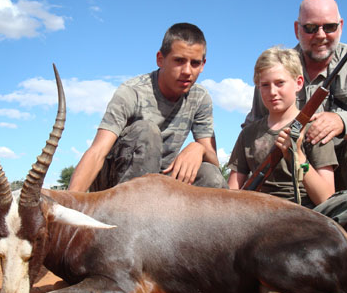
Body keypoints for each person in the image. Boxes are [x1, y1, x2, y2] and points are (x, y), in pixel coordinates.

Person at [243, 0, 347, 283]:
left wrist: (343, 121)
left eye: (329, 27)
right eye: (310, 28)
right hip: (296, 181)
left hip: (339, 173)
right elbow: (254, 126)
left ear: (340, 26)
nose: (320, 35)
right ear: (297, 29)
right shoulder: (280, 68)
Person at [229, 46, 347, 245]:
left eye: (280, 83)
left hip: (307, 218)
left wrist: (299, 158)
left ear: (298, 83)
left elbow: (325, 197)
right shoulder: (248, 134)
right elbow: (232, 193)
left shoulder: (314, 130)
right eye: (265, 85)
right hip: (261, 219)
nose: (272, 92)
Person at [68, 22, 228, 192]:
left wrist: (199, 147)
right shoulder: (132, 92)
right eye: (179, 61)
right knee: (147, 131)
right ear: (160, 59)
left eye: (195, 63)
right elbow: (98, 151)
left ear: (203, 65)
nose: (187, 71)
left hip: (161, 180)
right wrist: (70, 203)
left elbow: (214, 162)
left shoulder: (200, 98)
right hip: (115, 184)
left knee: (211, 175)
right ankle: (126, 212)